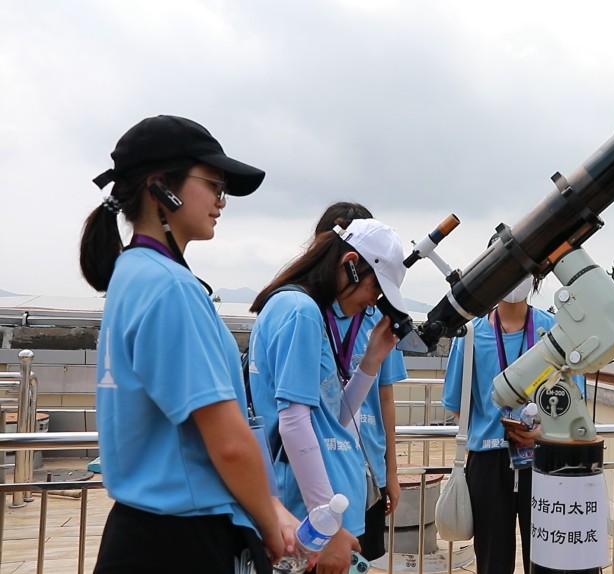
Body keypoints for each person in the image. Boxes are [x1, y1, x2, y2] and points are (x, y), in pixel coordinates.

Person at [82, 115, 297, 573]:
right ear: (162, 187)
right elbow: (228, 442)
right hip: (182, 540)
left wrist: (269, 509)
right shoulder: (170, 287)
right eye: (214, 185)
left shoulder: (133, 274)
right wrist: (269, 519)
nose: (222, 201)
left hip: (141, 533)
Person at [247, 217, 409, 573]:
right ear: (350, 264)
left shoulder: (294, 307)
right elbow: (293, 424)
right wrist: (327, 527)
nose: (371, 304)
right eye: (374, 289)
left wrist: (370, 362)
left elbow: (331, 420)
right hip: (310, 521)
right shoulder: (302, 312)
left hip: (317, 514)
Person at [441, 239, 586, 574]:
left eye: (524, 267)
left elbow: (573, 403)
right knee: (493, 561)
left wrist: (540, 433)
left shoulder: (553, 330)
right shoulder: (471, 334)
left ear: (537, 274)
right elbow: (457, 406)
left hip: (545, 460)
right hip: (489, 462)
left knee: (548, 559)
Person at [314, 202, 407, 562]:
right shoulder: (307, 312)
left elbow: (386, 399)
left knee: (359, 561)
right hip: (321, 468)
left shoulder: (374, 319)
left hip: (365, 468)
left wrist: (390, 473)